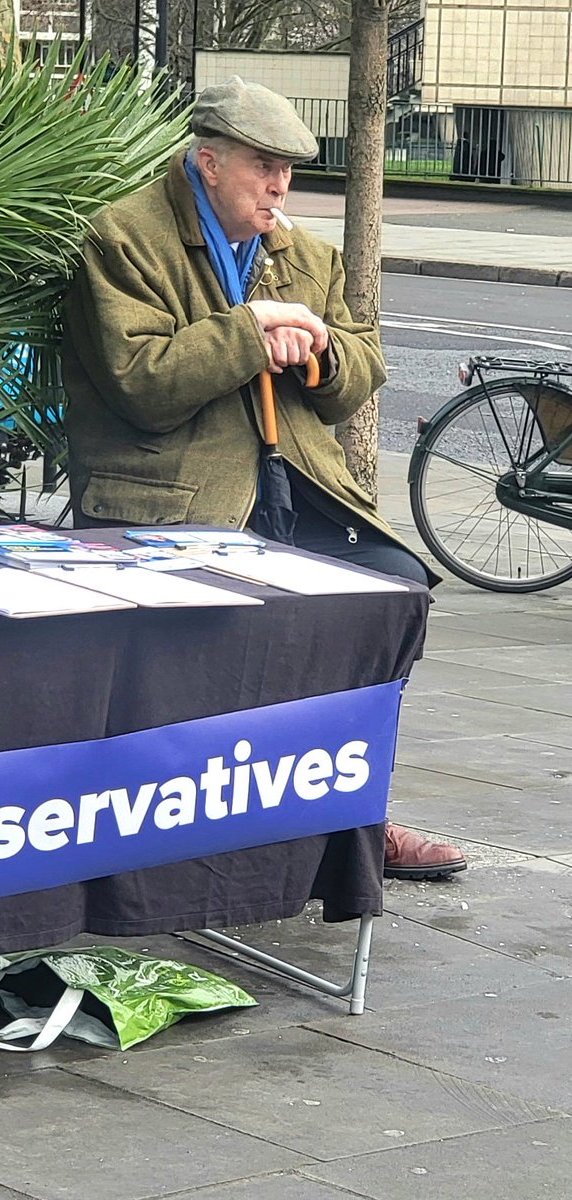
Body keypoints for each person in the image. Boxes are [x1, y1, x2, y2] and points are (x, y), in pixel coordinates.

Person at [61, 76, 465, 882]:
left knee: (389, 586)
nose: (279, 185)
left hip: (295, 489)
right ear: (206, 162)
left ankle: (355, 808)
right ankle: (210, 811)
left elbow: (361, 370)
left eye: (287, 167)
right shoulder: (121, 239)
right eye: (261, 165)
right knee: (230, 615)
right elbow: (141, 384)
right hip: (173, 500)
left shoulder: (302, 253)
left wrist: (313, 351)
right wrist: (247, 332)